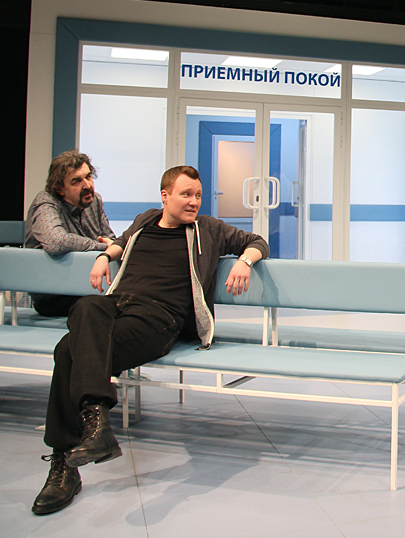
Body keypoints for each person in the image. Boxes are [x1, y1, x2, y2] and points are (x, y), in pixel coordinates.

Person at [31, 165, 269, 515]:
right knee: (86, 306)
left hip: (159, 318)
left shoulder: (208, 229)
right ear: (165, 196)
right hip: (118, 306)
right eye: (186, 194)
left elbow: (258, 242)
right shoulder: (145, 220)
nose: (194, 201)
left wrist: (245, 262)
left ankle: (66, 463)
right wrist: (104, 257)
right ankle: (96, 424)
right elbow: (121, 242)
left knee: (67, 351)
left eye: (198, 195)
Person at [25, 150, 116, 316]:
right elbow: (57, 242)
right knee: (114, 306)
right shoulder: (45, 204)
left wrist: (113, 246)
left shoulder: (94, 201)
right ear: (60, 189)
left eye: (88, 177)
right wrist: (103, 247)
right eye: (76, 181)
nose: (87, 185)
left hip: (89, 287)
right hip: (54, 296)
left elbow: (109, 238)